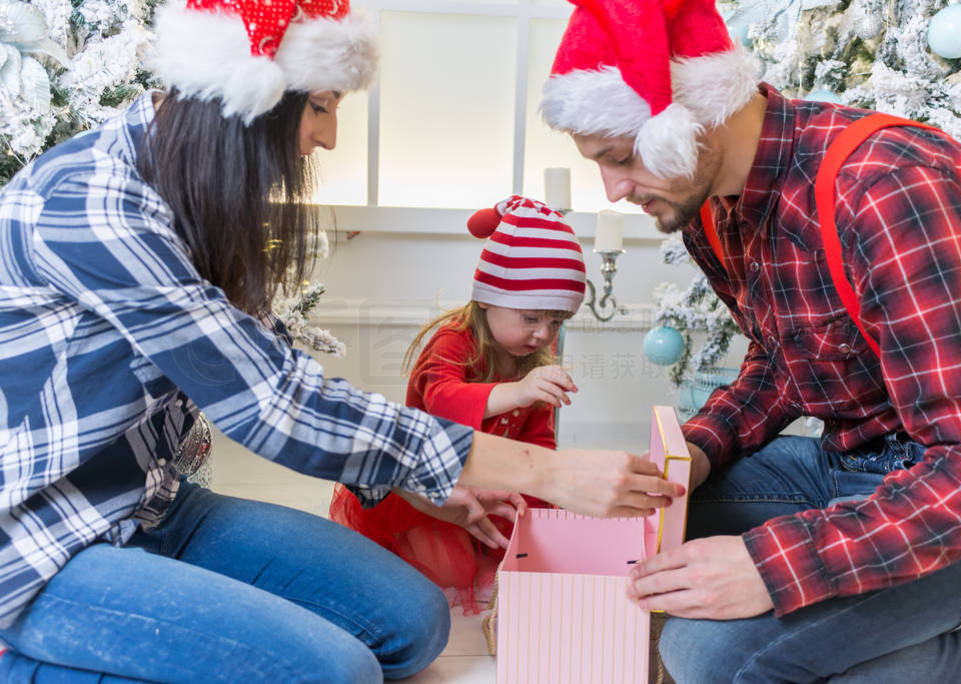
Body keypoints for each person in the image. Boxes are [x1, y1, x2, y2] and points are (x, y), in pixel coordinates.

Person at [0, 0, 683, 681]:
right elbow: (274, 404)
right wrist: (549, 474)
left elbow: (275, 366)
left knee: (414, 623)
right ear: (252, 100)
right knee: (339, 672)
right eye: (322, 107)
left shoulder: (192, 192)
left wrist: (414, 483)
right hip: (40, 537)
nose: (326, 139)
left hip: (150, 504)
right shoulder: (94, 207)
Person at [540, 0, 961, 681]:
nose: (614, 189)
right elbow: (782, 362)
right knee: (640, 519)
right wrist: (695, 457)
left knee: (706, 653)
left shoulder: (885, 189)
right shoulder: (709, 207)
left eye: (622, 158)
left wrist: (777, 567)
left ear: (697, 120)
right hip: (851, 470)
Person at [330, 195, 584, 612]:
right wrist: (519, 391)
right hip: (432, 485)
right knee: (448, 570)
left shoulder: (535, 361)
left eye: (556, 321)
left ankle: (499, 560)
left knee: (519, 540)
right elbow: (444, 402)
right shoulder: (454, 341)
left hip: (494, 483)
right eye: (531, 318)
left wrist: (539, 514)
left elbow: (538, 443)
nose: (543, 334)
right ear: (487, 297)